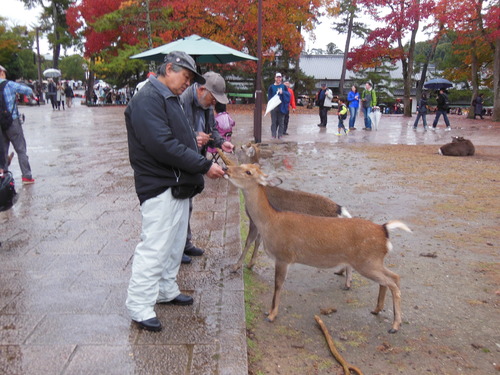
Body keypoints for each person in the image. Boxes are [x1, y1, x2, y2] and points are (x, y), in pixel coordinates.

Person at [124, 51, 226, 332]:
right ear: (169, 68)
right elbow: (162, 145)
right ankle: (139, 304)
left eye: (191, 79)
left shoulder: (167, 97)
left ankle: (165, 289)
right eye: (186, 76)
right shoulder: (148, 98)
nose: (187, 83)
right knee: (154, 246)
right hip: (159, 184)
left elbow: (174, 138)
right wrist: (204, 165)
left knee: (173, 243)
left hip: (177, 183)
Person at [180, 71, 235, 263]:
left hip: (195, 159)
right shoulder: (181, 100)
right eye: (213, 98)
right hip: (181, 160)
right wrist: (193, 136)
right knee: (179, 205)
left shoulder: (205, 104)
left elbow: (211, 130)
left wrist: (220, 143)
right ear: (202, 89)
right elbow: (173, 134)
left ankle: (185, 244)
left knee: (188, 203)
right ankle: (177, 249)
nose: (214, 103)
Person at [0, 64, 35, 184]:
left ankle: (3, 175)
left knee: (2, 150)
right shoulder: (9, 84)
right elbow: (28, 91)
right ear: (2, 73)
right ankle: (26, 176)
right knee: (21, 149)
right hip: (12, 121)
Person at [267, 72, 290, 138]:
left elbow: (288, 94)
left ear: (281, 78)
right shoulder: (271, 87)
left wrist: (282, 92)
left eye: (280, 77)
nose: (278, 79)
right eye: (277, 77)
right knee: (274, 121)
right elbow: (269, 97)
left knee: (281, 121)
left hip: (281, 106)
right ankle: (273, 135)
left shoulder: (284, 86)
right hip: (274, 106)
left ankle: (280, 135)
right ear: (275, 78)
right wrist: (270, 106)